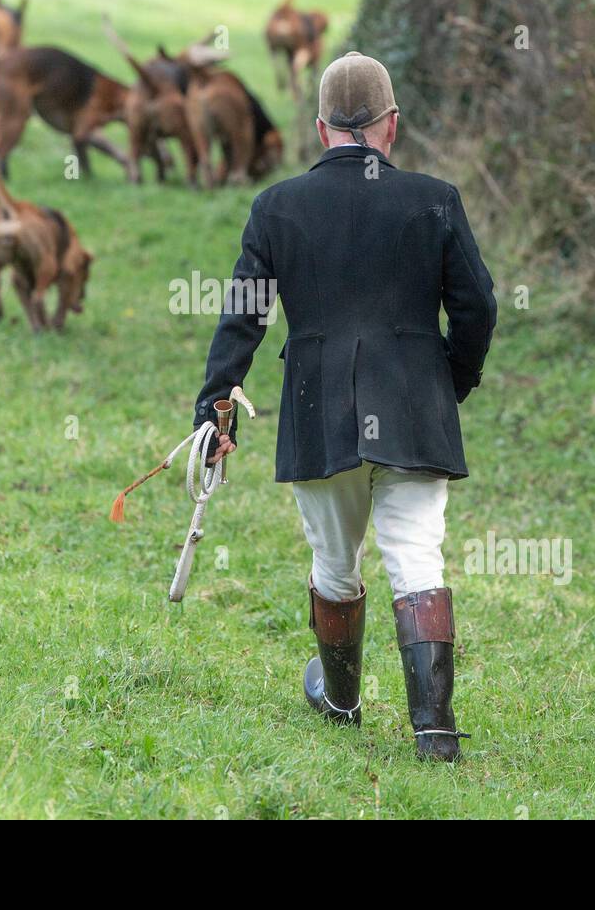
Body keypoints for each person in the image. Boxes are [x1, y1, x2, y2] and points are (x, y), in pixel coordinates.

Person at [192, 51, 496, 761]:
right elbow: (477, 307)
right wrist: (450, 380)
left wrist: (215, 405)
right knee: (418, 555)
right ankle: (435, 733)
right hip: (416, 404)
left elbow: (243, 314)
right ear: (392, 125)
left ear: (323, 129)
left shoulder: (277, 206)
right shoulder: (436, 198)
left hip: (316, 406)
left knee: (335, 565)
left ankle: (341, 699)